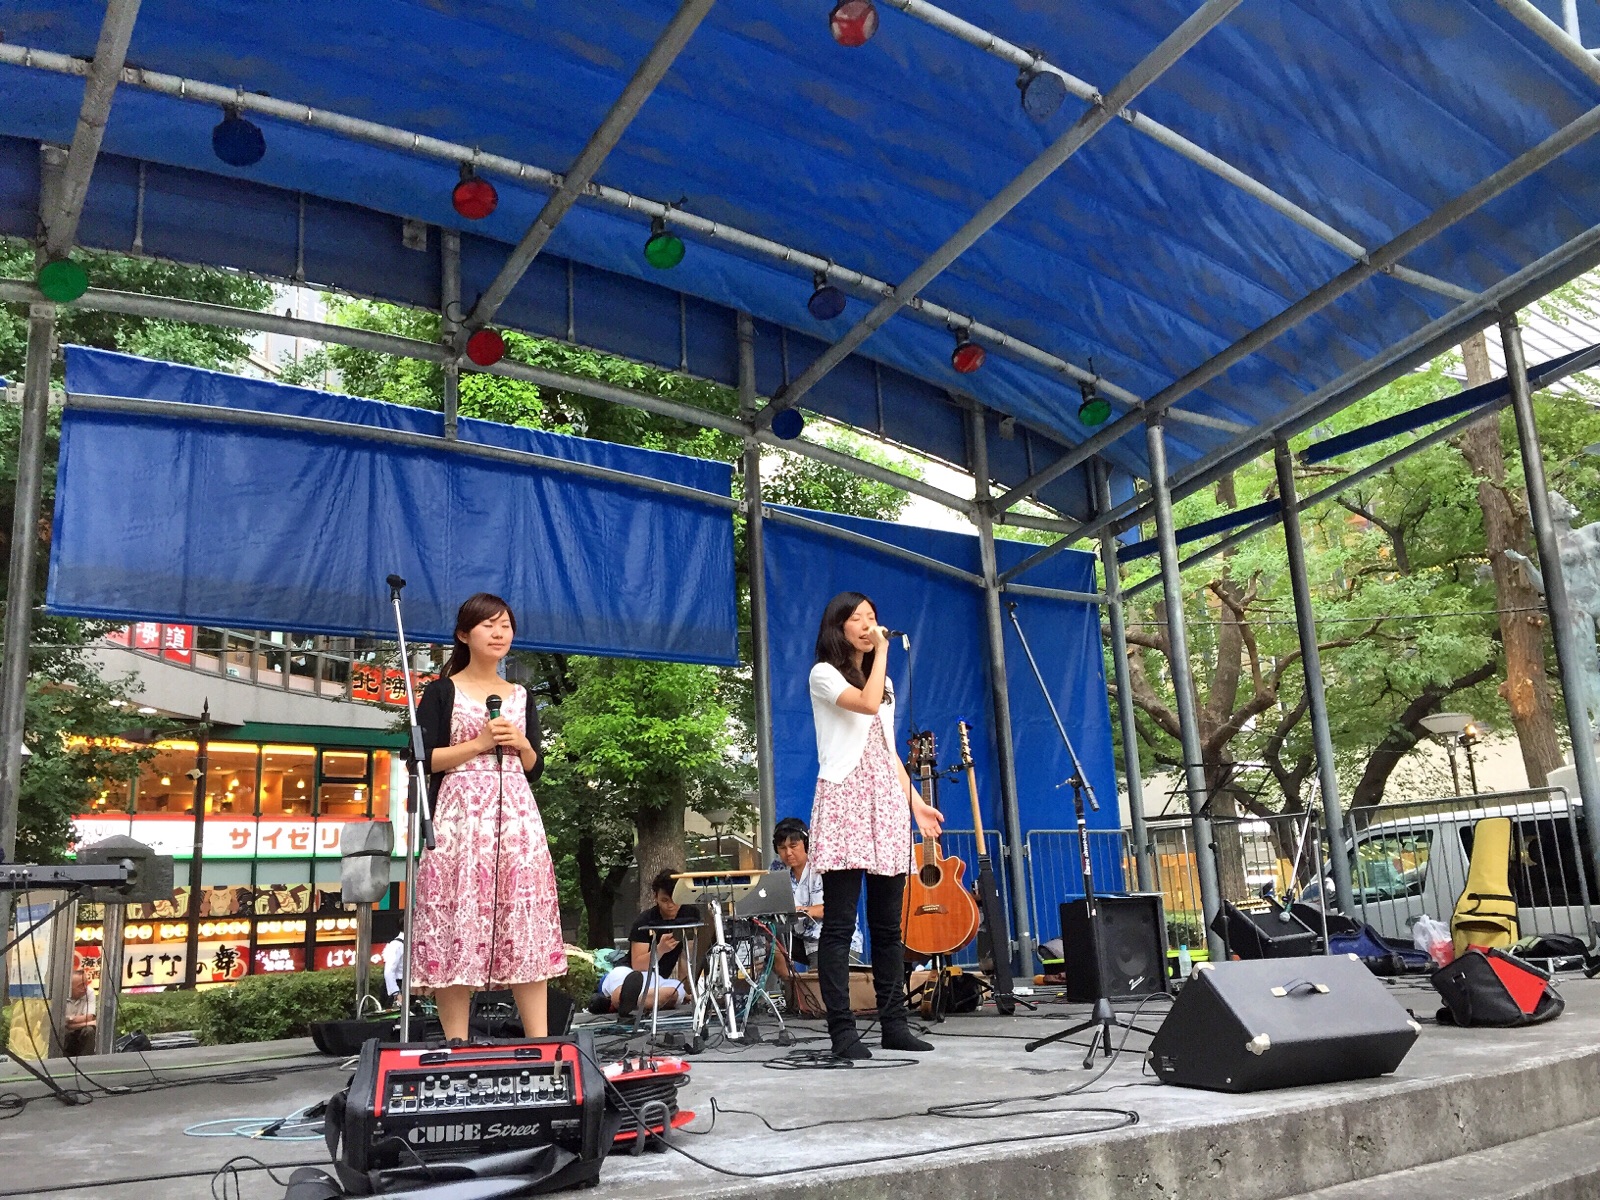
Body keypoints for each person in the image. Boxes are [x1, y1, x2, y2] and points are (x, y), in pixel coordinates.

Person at [411, 593, 567, 1042]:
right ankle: (456, 1045)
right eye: (488, 625)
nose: (499, 634)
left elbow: (534, 768)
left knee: (524, 921)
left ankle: (541, 1044)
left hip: (517, 819)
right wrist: (478, 744)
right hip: (461, 820)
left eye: (505, 626)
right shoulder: (442, 691)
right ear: (464, 634)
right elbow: (420, 760)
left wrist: (522, 744)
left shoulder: (521, 695)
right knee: (456, 920)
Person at [809, 591, 942, 1059]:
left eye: (873, 617)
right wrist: (883, 649)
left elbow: (887, 748)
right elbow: (864, 707)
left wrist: (916, 804)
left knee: (888, 927)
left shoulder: (882, 683)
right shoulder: (824, 674)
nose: (869, 625)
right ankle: (843, 1032)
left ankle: (894, 1025)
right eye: (858, 618)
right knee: (840, 924)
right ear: (839, 627)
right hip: (844, 799)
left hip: (885, 800)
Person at [594, 871, 701, 1016]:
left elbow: (686, 956)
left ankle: (630, 1002)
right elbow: (638, 966)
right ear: (655, 897)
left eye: (675, 900)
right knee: (622, 990)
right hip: (629, 972)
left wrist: (687, 990)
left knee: (673, 994)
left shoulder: (690, 915)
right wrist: (659, 950)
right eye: (664, 900)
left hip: (657, 980)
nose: (670, 905)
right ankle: (626, 1000)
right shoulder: (645, 921)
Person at [63, 966, 96, 1057]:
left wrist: (69, 1021)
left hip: (80, 1031)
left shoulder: (89, 992)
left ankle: (86, 1060)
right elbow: (61, 1023)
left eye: (86, 984)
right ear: (69, 987)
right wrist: (68, 1023)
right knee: (62, 1032)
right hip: (64, 1033)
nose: (85, 988)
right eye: (80, 985)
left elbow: (89, 1017)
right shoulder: (61, 994)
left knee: (89, 1030)